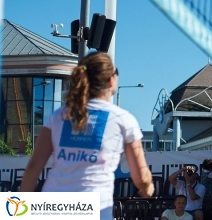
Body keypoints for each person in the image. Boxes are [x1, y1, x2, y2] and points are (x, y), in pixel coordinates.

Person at [20, 52, 154, 220]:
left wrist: (22, 211)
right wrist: (147, 187)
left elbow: (34, 166)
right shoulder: (123, 120)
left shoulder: (58, 116)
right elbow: (141, 177)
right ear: (111, 80)